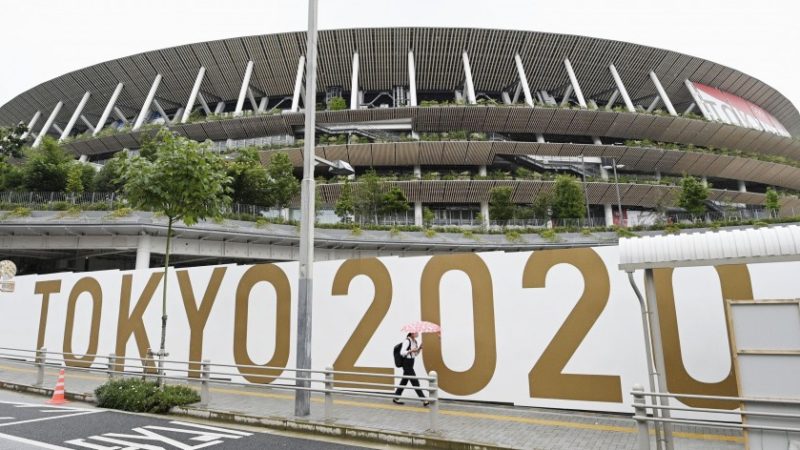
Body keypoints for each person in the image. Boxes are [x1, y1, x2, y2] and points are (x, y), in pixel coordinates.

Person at [393, 332, 429, 406]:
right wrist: (411, 350)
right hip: (406, 363)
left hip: (411, 362)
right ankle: (424, 400)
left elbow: (415, 354)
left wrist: (419, 349)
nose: (417, 333)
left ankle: (396, 397)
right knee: (414, 381)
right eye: (415, 332)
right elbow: (402, 352)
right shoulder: (407, 341)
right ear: (411, 333)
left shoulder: (415, 341)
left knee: (404, 381)